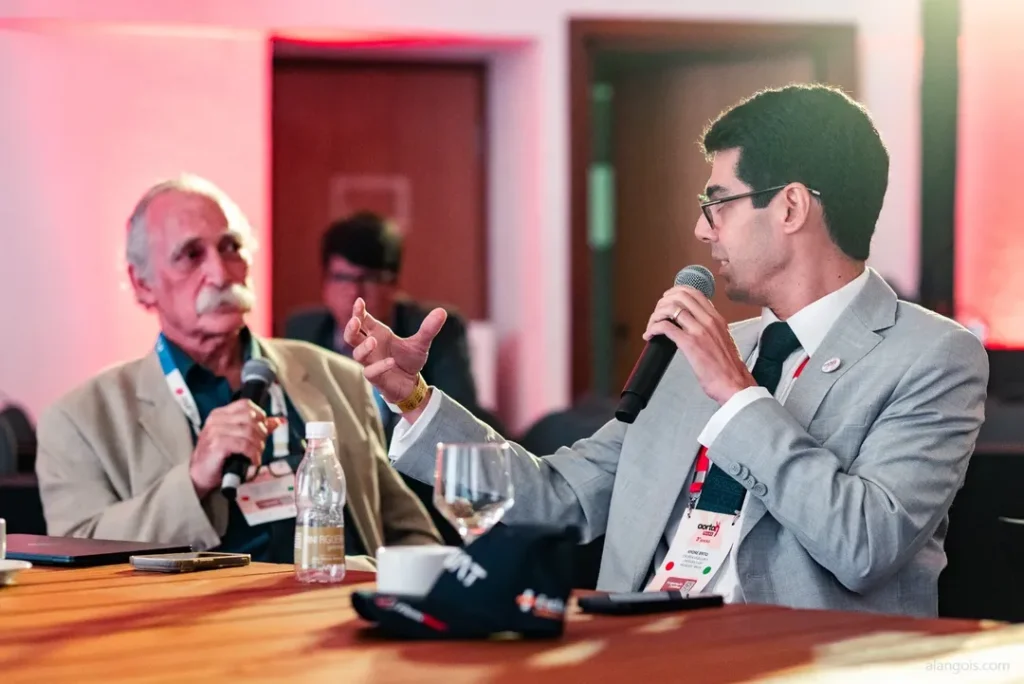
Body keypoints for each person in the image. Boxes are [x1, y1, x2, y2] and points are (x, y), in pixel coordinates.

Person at [342, 84, 989, 616]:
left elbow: (865, 546)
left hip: (798, 660)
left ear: (790, 206)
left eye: (719, 203)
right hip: (634, 646)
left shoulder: (932, 357)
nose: (701, 228)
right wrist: (415, 399)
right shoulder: (702, 353)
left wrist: (737, 396)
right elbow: (561, 496)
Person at [35, 175, 440, 564]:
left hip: (338, 603)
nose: (220, 273)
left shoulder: (337, 376)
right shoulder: (80, 420)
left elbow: (410, 536)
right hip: (197, 613)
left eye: (231, 247)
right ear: (142, 284)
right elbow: (76, 559)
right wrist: (194, 479)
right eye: (191, 255)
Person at [283, 211, 482, 439]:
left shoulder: (436, 332)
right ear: (324, 284)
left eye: (368, 279)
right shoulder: (303, 331)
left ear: (394, 285)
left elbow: (460, 425)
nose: (354, 292)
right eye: (341, 278)